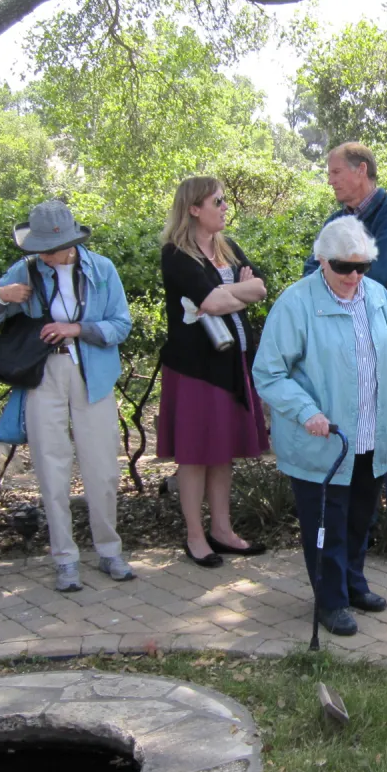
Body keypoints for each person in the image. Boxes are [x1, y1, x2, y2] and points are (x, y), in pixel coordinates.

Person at [255, 217, 387, 636]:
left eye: (362, 266)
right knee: (326, 524)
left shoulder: (380, 299)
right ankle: (330, 601)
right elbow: (269, 372)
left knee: (360, 518)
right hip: (323, 440)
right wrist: (305, 411)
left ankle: (353, 585)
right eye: (344, 267)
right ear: (322, 260)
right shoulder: (296, 303)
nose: (354, 276)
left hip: (372, 436)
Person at [0, 200, 134, 593]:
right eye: (38, 247)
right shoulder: (27, 269)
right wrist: (2, 295)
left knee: (102, 467)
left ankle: (109, 550)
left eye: (51, 247)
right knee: (51, 466)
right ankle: (64, 558)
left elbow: (121, 324)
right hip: (43, 374)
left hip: (93, 373)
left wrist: (77, 329)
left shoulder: (102, 269)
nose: (44, 254)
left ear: (71, 242)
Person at [304, 142, 387, 571]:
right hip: (340, 342)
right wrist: (333, 274)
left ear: (361, 170)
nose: (330, 180)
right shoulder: (335, 221)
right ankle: (361, 531)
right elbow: (310, 271)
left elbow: (383, 268)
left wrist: (337, 272)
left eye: (336, 172)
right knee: (355, 437)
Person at [159, 175, 271, 568]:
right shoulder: (176, 254)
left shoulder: (229, 247)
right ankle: (195, 536)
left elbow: (259, 289)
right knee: (195, 454)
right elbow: (211, 302)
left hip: (233, 361)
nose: (225, 207)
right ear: (193, 208)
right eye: (217, 201)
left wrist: (225, 296)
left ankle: (222, 531)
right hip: (195, 368)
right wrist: (231, 295)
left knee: (222, 452)